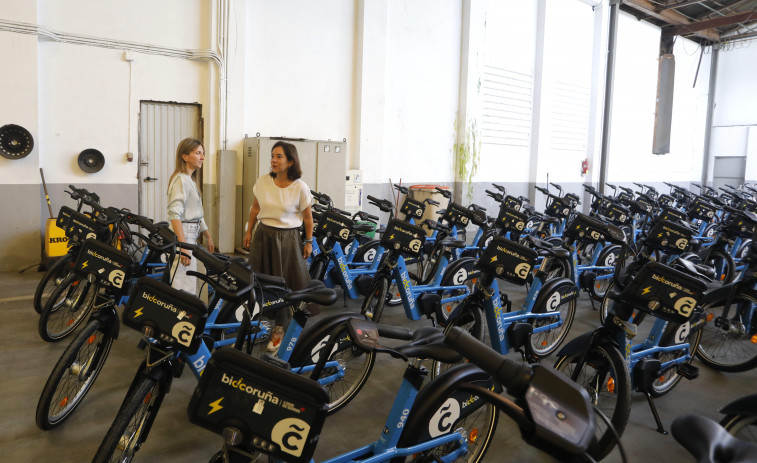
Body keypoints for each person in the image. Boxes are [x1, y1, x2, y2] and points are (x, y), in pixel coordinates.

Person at [243, 141, 314, 352]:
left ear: (290, 161)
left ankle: (280, 328)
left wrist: (308, 242)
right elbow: (255, 208)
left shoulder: (300, 187)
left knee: (282, 284)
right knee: (258, 279)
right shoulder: (263, 181)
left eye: (279, 156)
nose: (274, 160)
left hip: (287, 240)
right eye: (272, 156)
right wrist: (249, 231)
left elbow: (308, 219)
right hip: (263, 236)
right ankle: (260, 321)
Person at [167, 138, 214, 296]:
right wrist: (184, 247)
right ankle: (177, 318)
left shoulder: (190, 180)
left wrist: (207, 235)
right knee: (182, 283)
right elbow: (174, 214)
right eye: (198, 153)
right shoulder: (181, 180)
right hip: (184, 235)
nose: (202, 157)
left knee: (191, 281)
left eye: (203, 153)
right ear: (185, 156)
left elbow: (196, 213)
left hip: (191, 234)